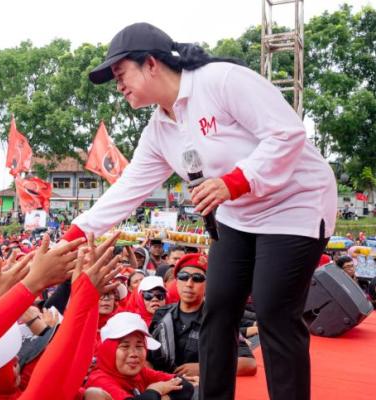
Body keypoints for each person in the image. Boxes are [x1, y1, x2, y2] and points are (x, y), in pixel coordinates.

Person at [62, 22, 337, 400]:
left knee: (274, 309)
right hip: (237, 214)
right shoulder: (158, 131)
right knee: (218, 309)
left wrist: (232, 183)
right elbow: (126, 190)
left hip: (296, 202)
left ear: (152, 64)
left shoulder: (221, 81)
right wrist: (72, 236)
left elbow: (287, 134)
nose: (118, 85)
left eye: (121, 73)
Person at [148, 254, 256, 377]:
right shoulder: (162, 314)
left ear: (208, 284)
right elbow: (147, 356)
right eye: (183, 277)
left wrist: (204, 368)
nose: (189, 283)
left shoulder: (218, 320)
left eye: (197, 278)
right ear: (176, 282)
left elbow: (249, 364)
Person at [86, 312, 194, 399]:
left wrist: (154, 394)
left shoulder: (141, 372)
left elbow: (185, 387)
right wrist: (155, 390)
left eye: (139, 346)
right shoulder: (99, 380)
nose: (133, 354)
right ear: (108, 351)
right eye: (125, 346)